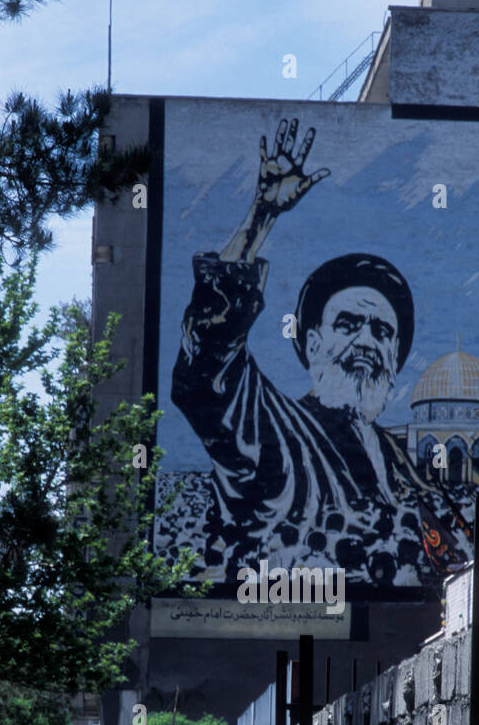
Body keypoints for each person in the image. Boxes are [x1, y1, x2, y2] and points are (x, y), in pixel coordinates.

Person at [169, 116, 456, 587]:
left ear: (395, 358)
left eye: (382, 331)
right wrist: (261, 216)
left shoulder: (403, 461)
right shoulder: (278, 431)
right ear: (312, 343)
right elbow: (206, 373)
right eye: (348, 324)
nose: (367, 341)